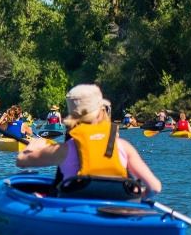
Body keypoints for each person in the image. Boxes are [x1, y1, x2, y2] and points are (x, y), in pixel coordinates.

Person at [16, 84, 161, 199]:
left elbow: (21, 160)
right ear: (101, 112)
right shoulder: (123, 147)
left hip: (75, 210)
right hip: (120, 210)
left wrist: (35, 145)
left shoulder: (64, 150)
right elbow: (155, 187)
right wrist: (140, 196)